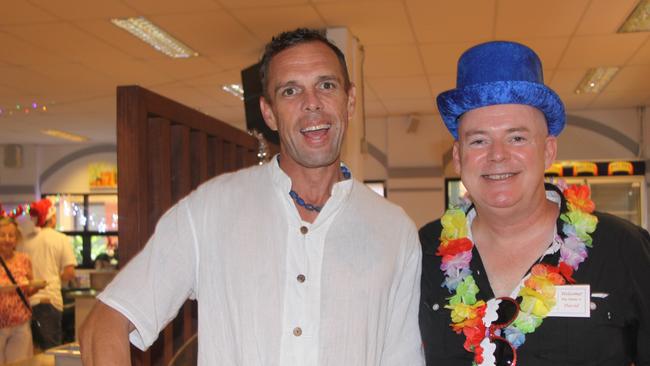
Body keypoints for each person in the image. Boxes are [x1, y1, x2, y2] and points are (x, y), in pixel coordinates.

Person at [79, 28, 424, 366]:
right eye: (291, 91)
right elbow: (105, 324)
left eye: (326, 85)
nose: (312, 104)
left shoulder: (394, 230)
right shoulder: (210, 210)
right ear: (269, 112)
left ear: (349, 101)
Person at [419, 41, 650, 366]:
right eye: (479, 140)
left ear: (549, 151)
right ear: (458, 157)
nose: (497, 155)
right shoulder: (421, 253)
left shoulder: (625, 249)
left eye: (517, 137)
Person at [19, 198, 77, 350]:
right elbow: (69, 273)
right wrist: (58, 278)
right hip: (50, 301)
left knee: (30, 351)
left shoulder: (25, 241)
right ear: (52, 217)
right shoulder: (60, 239)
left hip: (26, 303)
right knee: (51, 351)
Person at [0, 216, 43, 364]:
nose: (7, 239)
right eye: (2, 235)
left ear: (16, 238)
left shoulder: (23, 259)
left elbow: (28, 290)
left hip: (20, 322)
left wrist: (36, 287)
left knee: (20, 363)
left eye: (11, 235)